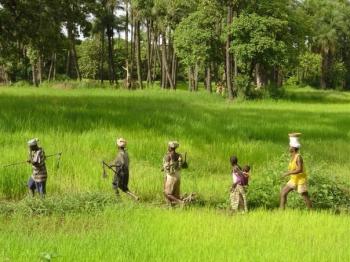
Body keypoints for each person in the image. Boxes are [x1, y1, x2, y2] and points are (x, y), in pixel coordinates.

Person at [280, 133, 312, 209]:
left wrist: (288, 173)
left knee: (305, 196)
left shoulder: (298, 157)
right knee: (283, 193)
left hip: (300, 180)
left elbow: (300, 169)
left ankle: (312, 211)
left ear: (293, 148)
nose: (289, 148)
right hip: (294, 179)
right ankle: (280, 211)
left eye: (290, 146)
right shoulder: (293, 156)